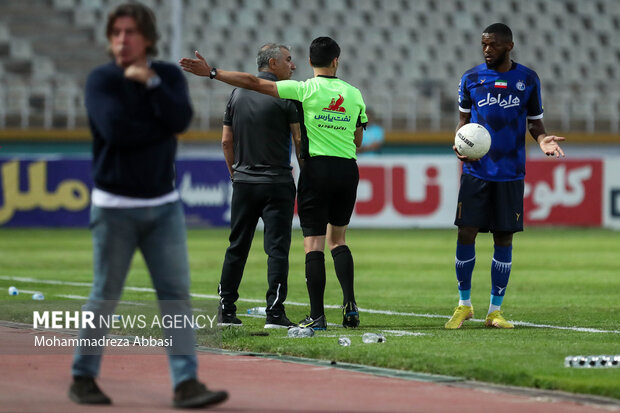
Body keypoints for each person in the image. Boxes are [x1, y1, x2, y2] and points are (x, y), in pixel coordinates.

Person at [69, 3, 227, 408]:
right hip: (115, 207)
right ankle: (82, 377)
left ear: (147, 39)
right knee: (104, 293)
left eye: (130, 32)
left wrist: (152, 85)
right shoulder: (102, 79)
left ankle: (187, 383)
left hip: (163, 206)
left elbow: (180, 118)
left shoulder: (168, 76)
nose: (122, 40)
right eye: (116, 33)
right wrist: (158, 123)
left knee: (175, 295)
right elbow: (117, 130)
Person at [180, 36, 367, 330]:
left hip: (288, 174)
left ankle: (309, 315)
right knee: (333, 241)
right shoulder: (352, 94)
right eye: (287, 60)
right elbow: (352, 139)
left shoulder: (300, 90)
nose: (292, 65)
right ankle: (337, 307)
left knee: (301, 244)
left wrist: (213, 73)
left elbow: (244, 105)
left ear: (309, 62)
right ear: (336, 61)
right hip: (335, 171)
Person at [445, 23, 565, 329]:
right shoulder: (471, 79)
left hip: (510, 172)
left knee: (504, 238)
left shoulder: (527, 79)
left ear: (509, 46)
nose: (487, 50)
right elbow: (463, 121)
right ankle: (464, 305)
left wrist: (543, 140)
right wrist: (458, 142)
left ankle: (495, 311)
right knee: (465, 232)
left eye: (493, 45)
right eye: (484, 44)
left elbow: (535, 124)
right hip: (476, 170)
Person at [217, 43, 301, 329]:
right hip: (277, 181)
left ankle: (226, 309)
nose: (293, 66)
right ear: (273, 64)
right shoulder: (287, 94)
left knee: (236, 247)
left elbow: (226, 141)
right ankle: (274, 314)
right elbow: (299, 141)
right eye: (289, 60)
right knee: (277, 250)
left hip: (243, 181)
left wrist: (234, 175)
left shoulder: (236, 93)